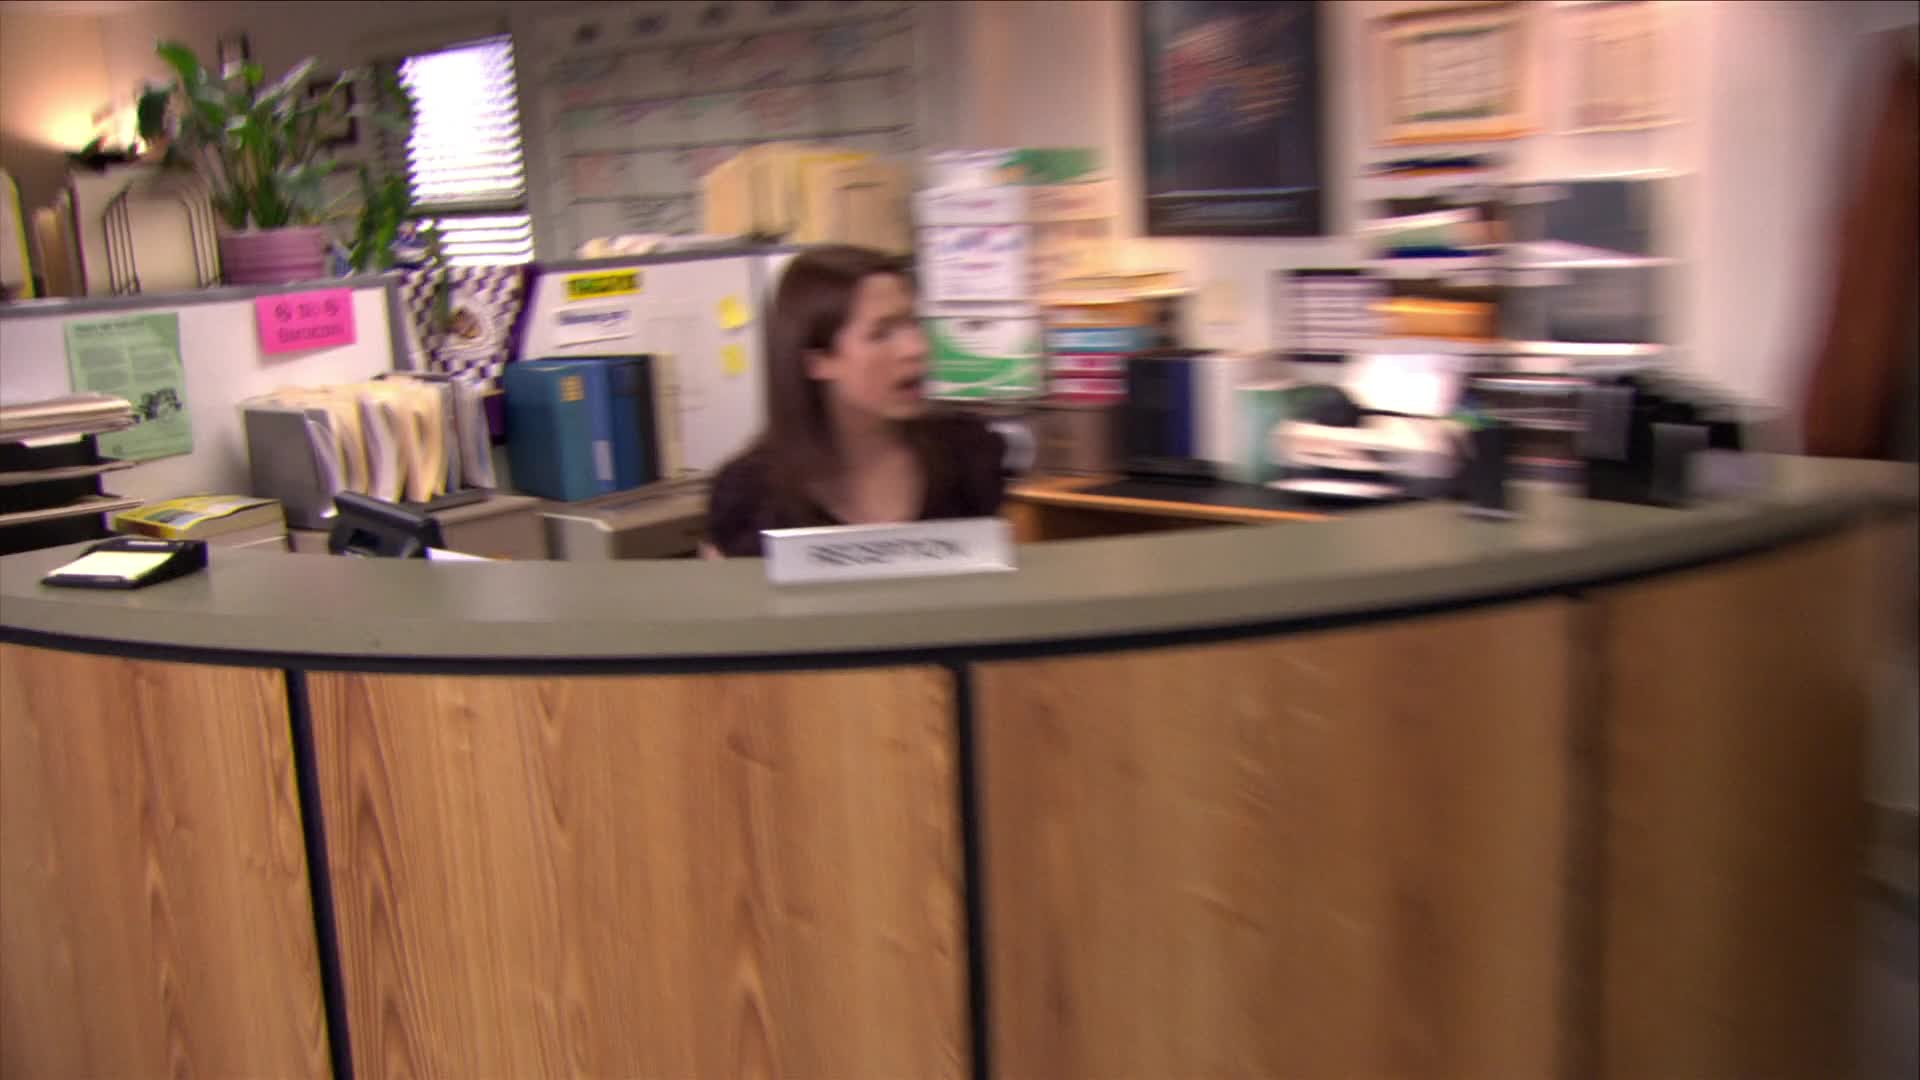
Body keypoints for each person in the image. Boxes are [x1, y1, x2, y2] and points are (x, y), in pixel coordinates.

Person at [705, 245, 1006, 558]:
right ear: (817, 361)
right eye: (882, 333)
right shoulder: (752, 496)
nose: (916, 348)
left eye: (913, 323)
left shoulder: (966, 456)